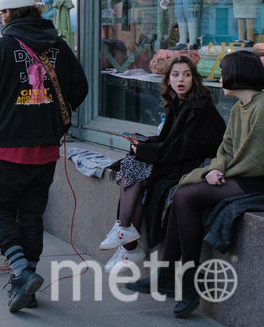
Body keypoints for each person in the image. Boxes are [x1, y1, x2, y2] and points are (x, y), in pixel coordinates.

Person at [0, 0, 88, 312]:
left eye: (0, 15)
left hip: (7, 148)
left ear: (9, 14)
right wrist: (52, 116)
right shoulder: (58, 46)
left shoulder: (2, 49)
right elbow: (80, 88)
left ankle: (22, 271)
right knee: (30, 215)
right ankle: (26, 279)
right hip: (46, 150)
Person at [126, 51, 264, 318]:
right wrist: (215, 169)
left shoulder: (261, 107)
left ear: (237, 74)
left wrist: (221, 172)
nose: (221, 78)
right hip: (238, 175)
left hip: (255, 181)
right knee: (182, 194)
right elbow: (225, 150)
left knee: (186, 196)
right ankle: (171, 276)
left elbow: (257, 160)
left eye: (224, 73)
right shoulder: (239, 109)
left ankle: (184, 283)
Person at [100, 56, 225, 272]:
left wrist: (146, 150)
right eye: (175, 75)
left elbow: (184, 147)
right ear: (168, 80)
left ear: (194, 79)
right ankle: (126, 239)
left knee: (135, 166)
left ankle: (126, 238)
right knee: (133, 163)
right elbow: (169, 141)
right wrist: (142, 144)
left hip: (199, 164)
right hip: (182, 157)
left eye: (187, 74)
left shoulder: (199, 107)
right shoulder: (178, 103)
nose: (181, 79)